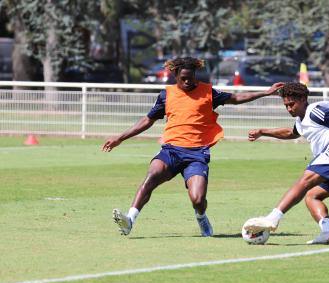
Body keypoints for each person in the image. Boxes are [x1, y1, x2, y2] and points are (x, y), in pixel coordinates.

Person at [102, 57, 283, 237]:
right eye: (184, 78)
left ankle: (201, 216)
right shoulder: (166, 95)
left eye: (191, 77)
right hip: (171, 150)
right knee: (151, 176)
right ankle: (130, 221)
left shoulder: (208, 92)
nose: (188, 82)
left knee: (197, 199)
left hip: (197, 153)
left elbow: (236, 98)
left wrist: (265, 93)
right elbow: (147, 120)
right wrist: (120, 138)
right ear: (175, 75)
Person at [245, 82, 329, 244]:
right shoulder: (300, 121)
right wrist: (263, 132)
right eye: (286, 105)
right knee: (312, 196)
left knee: (305, 180)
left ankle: (273, 218)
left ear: (303, 98)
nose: (289, 109)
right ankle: (327, 232)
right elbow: (291, 132)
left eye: (292, 104)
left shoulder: (315, 111)